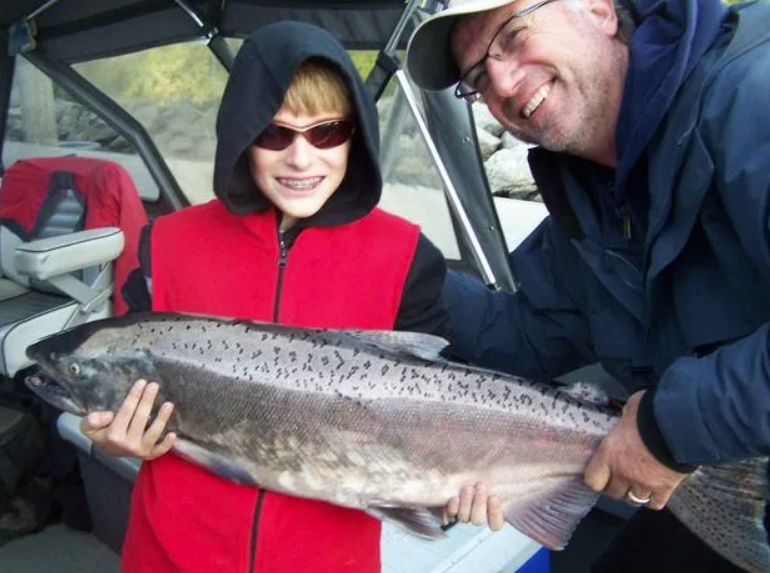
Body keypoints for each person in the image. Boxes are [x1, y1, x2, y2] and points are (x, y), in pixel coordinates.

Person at [75, 20, 471, 573]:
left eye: (327, 132)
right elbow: (122, 387)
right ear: (242, 133)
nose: (301, 159)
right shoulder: (164, 243)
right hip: (171, 557)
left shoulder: (408, 257)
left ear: (356, 133)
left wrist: (457, 489)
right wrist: (116, 441)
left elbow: (433, 421)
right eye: (275, 133)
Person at [405, 0, 770, 571]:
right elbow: (527, 334)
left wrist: (666, 429)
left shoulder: (753, 97)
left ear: (599, 9)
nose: (500, 81)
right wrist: (396, 263)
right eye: (478, 77)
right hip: (727, 464)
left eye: (514, 35)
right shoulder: (590, 193)